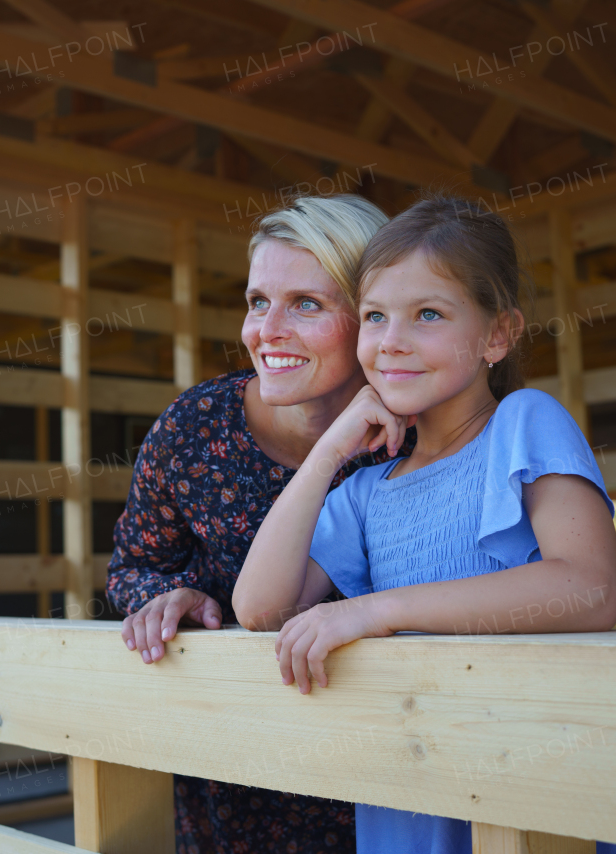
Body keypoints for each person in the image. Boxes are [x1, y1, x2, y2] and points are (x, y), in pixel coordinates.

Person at [231, 193, 616, 854]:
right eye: (376, 316)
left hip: (529, 791)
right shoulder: (366, 491)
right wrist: (331, 450)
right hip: (407, 797)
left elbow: (589, 588)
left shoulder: (524, 424)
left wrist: (373, 612)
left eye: (429, 316)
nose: (392, 342)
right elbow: (257, 606)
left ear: (497, 334)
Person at [107, 195, 414, 854]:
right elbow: (133, 567)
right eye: (256, 302)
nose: (267, 330)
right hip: (232, 792)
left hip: (398, 790)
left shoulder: (421, 436)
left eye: (306, 303)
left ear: (370, 319)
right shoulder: (193, 430)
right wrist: (167, 598)